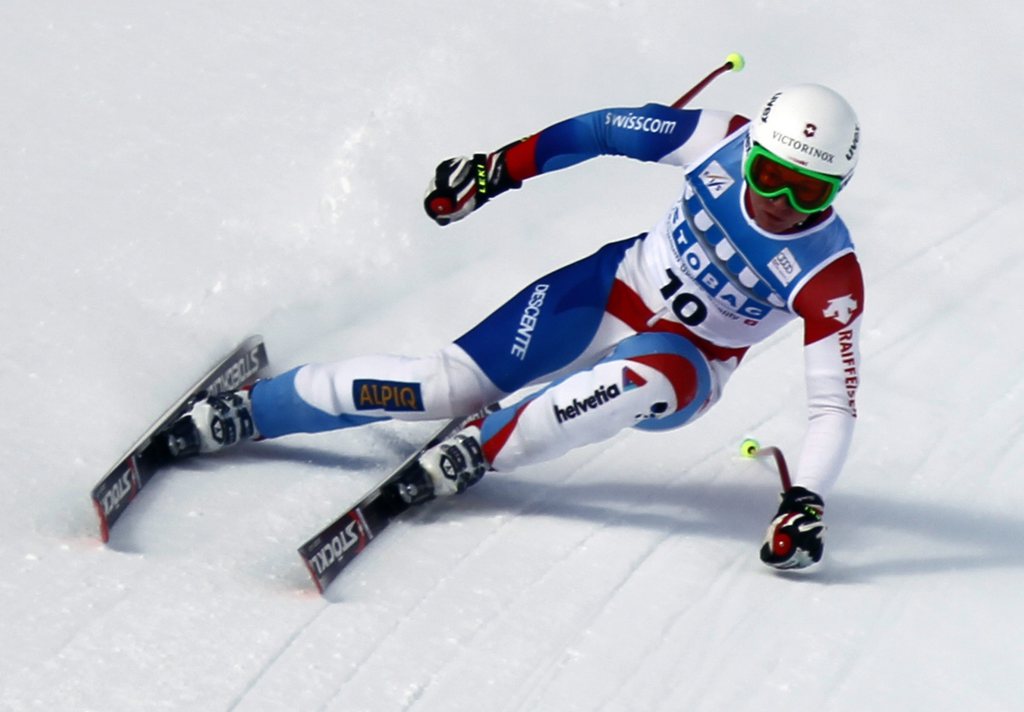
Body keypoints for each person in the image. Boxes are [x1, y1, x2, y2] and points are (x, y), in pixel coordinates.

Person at [168, 82, 863, 571]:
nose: (780, 203)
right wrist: (494, 172)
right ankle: (251, 411)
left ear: (836, 191)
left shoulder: (829, 275)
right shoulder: (720, 140)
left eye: (809, 190)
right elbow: (601, 130)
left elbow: (832, 404)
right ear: (754, 152)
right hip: (605, 289)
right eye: (771, 174)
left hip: (687, 366)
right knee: (443, 386)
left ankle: (484, 448)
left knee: (649, 371)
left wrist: (805, 501)